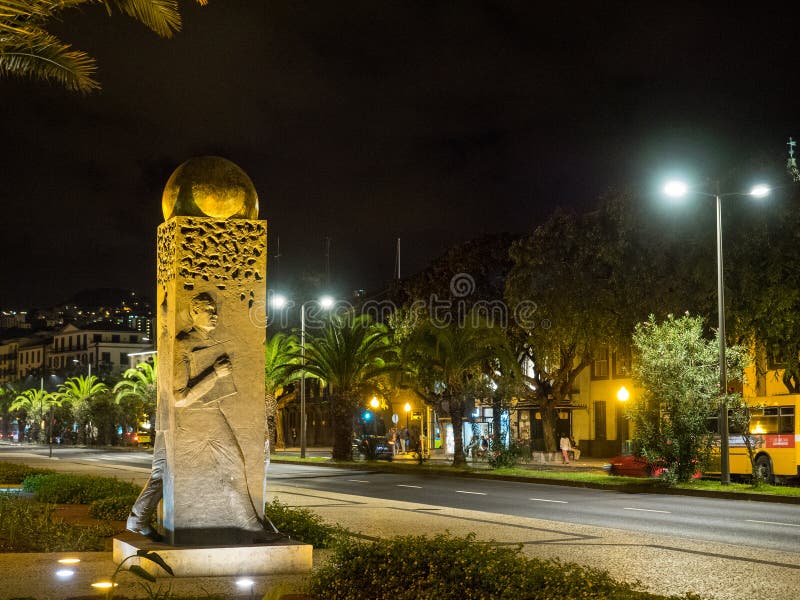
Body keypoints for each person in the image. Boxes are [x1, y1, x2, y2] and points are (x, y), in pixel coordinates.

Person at [127, 292, 263, 539]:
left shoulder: (202, 342)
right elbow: (180, 397)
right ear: (193, 313)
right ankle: (251, 526)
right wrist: (215, 374)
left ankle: (138, 518)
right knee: (234, 463)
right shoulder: (182, 345)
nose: (214, 315)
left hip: (171, 418)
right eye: (208, 310)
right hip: (199, 416)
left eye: (215, 310)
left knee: (163, 470)